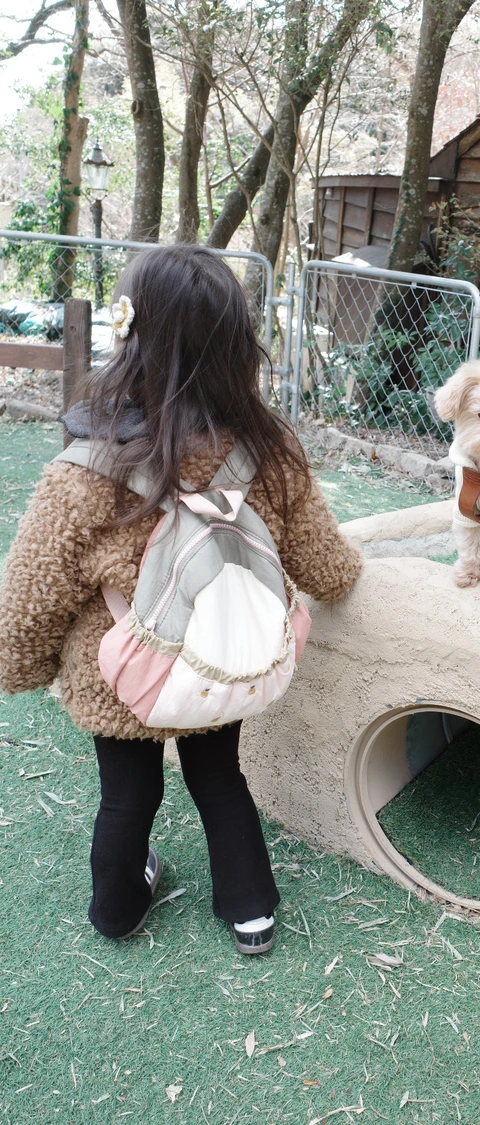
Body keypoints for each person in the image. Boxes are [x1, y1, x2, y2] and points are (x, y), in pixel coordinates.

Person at [0, 244, 362, 953]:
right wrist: (344, 578)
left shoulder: (85, 468)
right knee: (220, 776)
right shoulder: (270, 451)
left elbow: (32, 591)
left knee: (126, 797)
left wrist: (23, 666)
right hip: (221, 660)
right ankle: (251, 907)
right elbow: (326, 563)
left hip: (120, 675)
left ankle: (118, 908)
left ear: (130, 338)